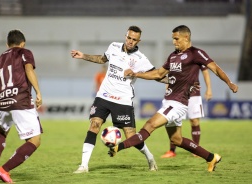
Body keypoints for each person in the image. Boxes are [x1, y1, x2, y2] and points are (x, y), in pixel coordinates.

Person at [108, 25, 238, 172]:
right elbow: (158, 74)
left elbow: (215, 68)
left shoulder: (196, 53)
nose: (174, 42)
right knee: (176, 140)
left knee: (149, 125)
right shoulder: (173, 56)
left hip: (178, 103)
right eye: (173, 39)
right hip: (169, 101)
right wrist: (136, 74)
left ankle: (118, 147)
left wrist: (229, 83)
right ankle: (211, 157)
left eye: (176, 39)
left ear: (186, 37)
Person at [70, 25, 166, 173]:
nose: (130, 41)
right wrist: (83, 56)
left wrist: (173, 81)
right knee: (94, 125)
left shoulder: (140, 59)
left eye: (134, 39)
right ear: (125, 36)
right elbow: (102, 59)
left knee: (130, 136)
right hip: (104, 95)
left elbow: (156, 75)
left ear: (138, 41)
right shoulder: (114, 47)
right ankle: (83, 165)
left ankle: (150, 158)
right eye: (129, 38)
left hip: (123, 100)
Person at [0, 29, 43, 183]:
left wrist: (5, 93)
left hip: (3, 102)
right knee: (34, 140)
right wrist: (38, 92)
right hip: (21, 100)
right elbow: (29, 69)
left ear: (7, 44)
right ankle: (4, 170)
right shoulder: (25, 52)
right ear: (22, 43)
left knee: (2, 132)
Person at [161, 66, 212, 158]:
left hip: (194, 93)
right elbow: (170, 75)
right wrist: (167, 90)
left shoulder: (196, 55)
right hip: (177, 94)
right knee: (173, 120)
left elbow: (205, 71)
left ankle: (196, 150)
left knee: (194, 121)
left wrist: (209, 89)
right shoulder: (174, 57)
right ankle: (172, 151)